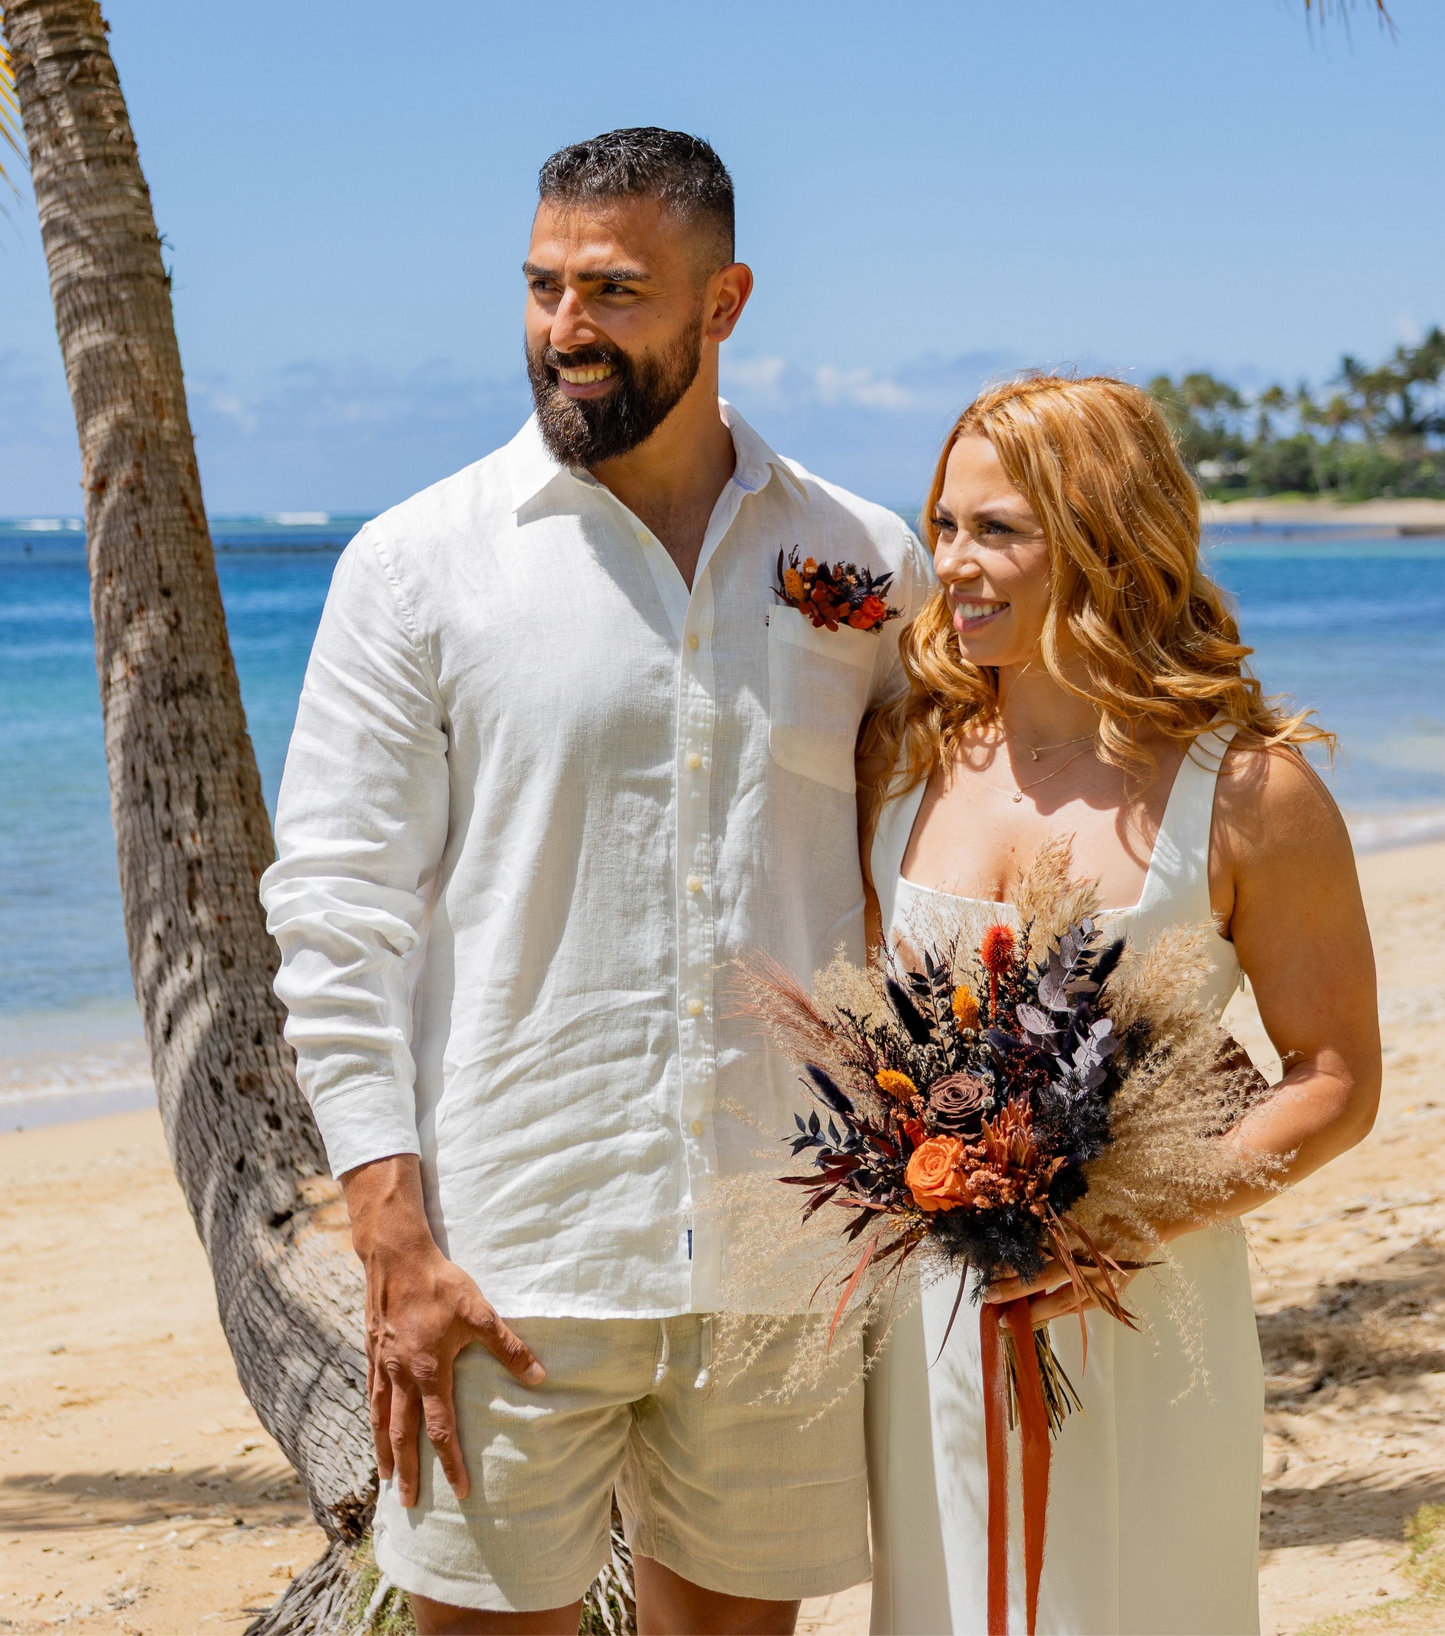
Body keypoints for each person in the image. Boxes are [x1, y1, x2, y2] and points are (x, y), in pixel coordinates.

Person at [259, 128, 933, 1635]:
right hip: (510, 1251)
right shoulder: (416, 566)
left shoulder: (863, 558)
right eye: (544, 286)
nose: (566, 329)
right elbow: (333, 911)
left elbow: (931, 862)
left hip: (783, 1243)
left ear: (725, 300)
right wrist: (392, 1236)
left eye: (615, 290)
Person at [858, 375, 1381, 1636]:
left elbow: (1333, 1078)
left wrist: (1120, 1226)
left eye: (996, 531)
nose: (953, 565)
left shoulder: (1248, 791)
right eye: (942, 525)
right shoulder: (900, 752)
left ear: (1099, 537)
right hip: (929, 1309)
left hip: (1143, 1303)